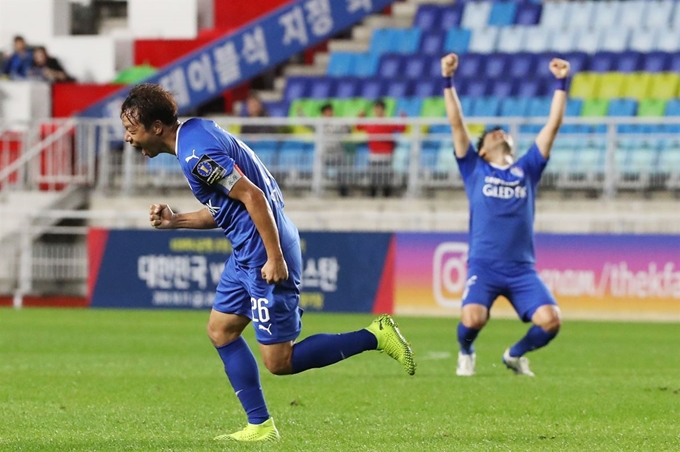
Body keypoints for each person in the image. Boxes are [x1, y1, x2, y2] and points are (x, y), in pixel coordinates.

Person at [120, 83, 416, 442]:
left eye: (131, 130)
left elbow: (253, 196)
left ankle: (375, 336)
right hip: (247, 252)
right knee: (221, 330)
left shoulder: (196, 156)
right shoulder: (196, 133)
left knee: (280, 361)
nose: (128, 139)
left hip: (263, 252)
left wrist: (274, 257)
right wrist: (175, 220)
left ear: (156, 127)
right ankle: (259, 425)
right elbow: (227, 209)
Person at [440, 53, 569, 377]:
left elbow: (552, 125)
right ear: (482, 149)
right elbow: (456, 123)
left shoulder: (528, 167)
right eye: (491, 133)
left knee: (551, 321)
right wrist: (448, 80)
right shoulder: (474, 168)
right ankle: (466, 351)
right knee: (473, 319)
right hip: (484, 264)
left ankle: (515, 354)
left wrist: (561, 83)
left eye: (502, 132)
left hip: (521, 267)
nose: (498, 133)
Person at [297, 102, 352, 196]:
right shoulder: (319, 122)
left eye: (330, 111)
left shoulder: (338, 122)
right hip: (323, 153)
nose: (329, 113)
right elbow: (308, 124)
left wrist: (347, 127)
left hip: (337, 152)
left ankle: (343, 191)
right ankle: (317, 190)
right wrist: (301, 114)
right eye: (326, 111)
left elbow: (347, 130)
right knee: (319, 170)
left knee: (342, 170)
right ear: (323, 113)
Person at [356, 99, 406, 197]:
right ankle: (373, 196)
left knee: (386, 177)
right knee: (374, 177)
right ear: (374, 109)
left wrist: (403, 117)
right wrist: (361, 116)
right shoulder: (370, 123)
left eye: (380, 108)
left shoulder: (388, 122)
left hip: (386, 155)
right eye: (376, 108)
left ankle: (386, 196)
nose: (378, 110)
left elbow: (402, 128)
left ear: (384, 110)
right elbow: (358, 126)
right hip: (374, 155)